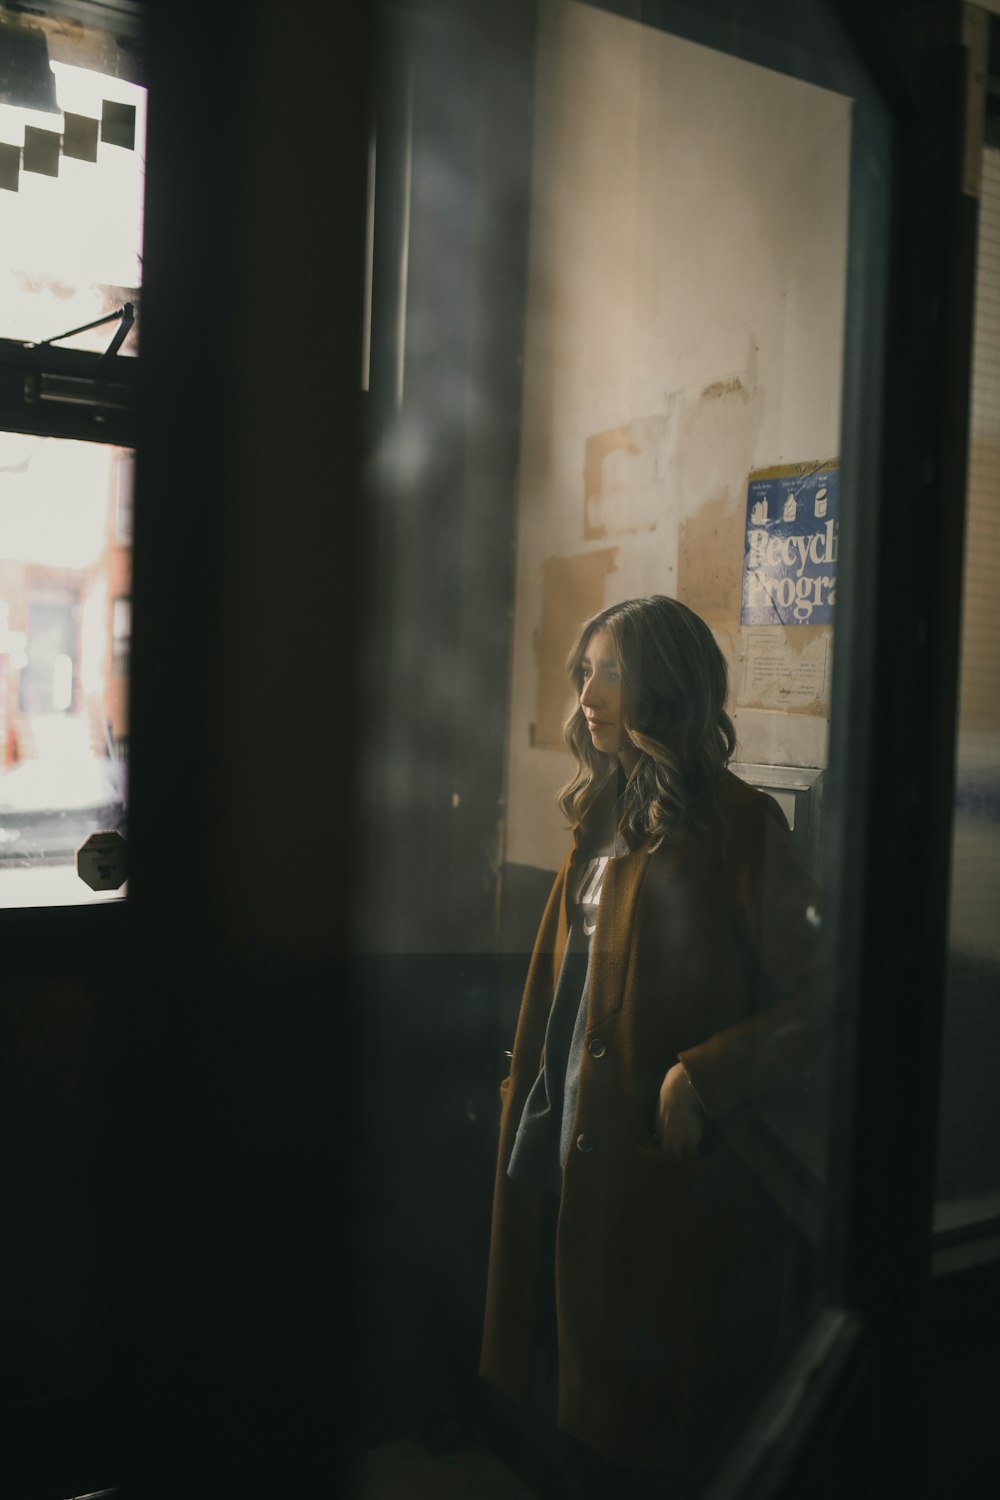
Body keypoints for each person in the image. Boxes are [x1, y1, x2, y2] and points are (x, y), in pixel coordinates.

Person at [479, 596, 819, 1497]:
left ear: (665, 684)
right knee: (565, 1394)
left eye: (612, 671)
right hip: (568, 1144)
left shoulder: (741, 826)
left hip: (651, 1173)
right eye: (585, 670)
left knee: (633, 1431)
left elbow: (823, 999)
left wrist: (701, 1077)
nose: (590, 691)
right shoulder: (601, 805)